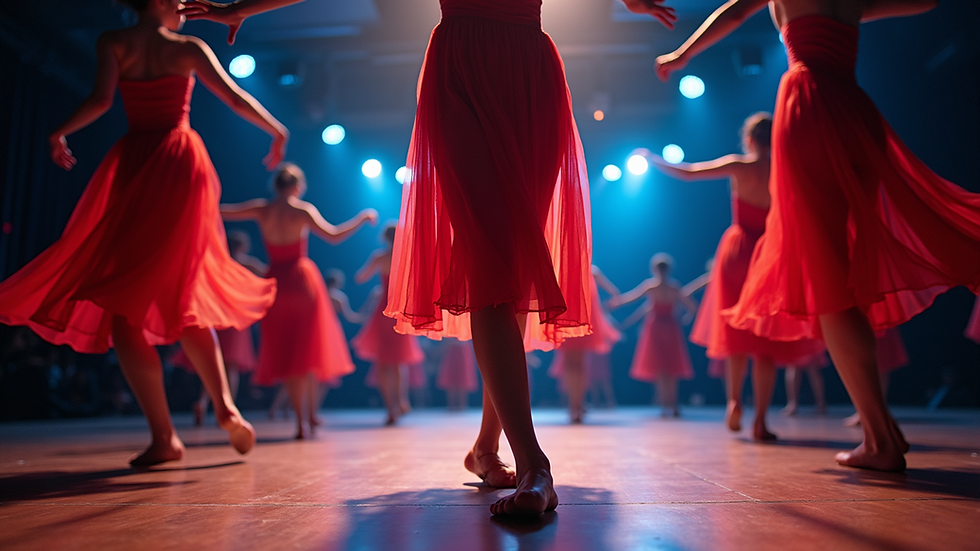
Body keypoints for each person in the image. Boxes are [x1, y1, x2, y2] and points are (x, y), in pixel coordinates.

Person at [178, 0, 677, 517]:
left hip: (531, 72)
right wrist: (243, 7)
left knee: (512, 264)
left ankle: (487, 447)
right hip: (462, 69)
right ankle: (535, 465)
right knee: (489, 260)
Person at [655, 0, 980, 472]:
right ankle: (882, 429)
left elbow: (731, 13)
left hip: (809, 107)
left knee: (830, 280)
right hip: (855, 109)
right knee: (844, 269)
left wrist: (681, 55)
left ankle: (880, 439)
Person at [0, 0, 290, 466]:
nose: (184, 7)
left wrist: (58, 133)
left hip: (135, 161)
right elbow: (234, 99)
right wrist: (276, 131)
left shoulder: (113, 42)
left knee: (124, 306)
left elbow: (99, 101)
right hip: (180, 165)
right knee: (185, 292)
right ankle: (225, 406)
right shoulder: (187, 47)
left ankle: (164, 437)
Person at [638, 114, 822, 440]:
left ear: (749, 140)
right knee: (765, 343)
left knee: (736, 336)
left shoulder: (740, 165)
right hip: (769, 254)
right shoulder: (784, 170)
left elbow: (690, 172)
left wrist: (653, 159)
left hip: (737, 254)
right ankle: (761, 421)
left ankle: (734, 400)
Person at [221, 163, 377, 439]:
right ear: (297, 187)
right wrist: (362, 218)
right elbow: (334, 235)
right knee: (304, 352)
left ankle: (300, 422)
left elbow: (222, 211)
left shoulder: (262, 209)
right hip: (302, 283)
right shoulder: (302, 210)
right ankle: (305, 418)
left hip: (276, 285)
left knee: (288, 353)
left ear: (275, 185)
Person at [170, 230, 266, 426]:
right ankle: (227, 409)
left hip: (215, 316)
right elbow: (269, 275)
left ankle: (203, 402)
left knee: (212, 364)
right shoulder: (247, 264)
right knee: (231, 366)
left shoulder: (217, 260)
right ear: (243, 247)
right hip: (234, 318)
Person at [351, 224, 425, 426]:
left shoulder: (379, 256)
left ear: (385, 238)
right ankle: (401, 400)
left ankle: (391, 408)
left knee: (383, 362)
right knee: (399, 360)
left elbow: (360, 277)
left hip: (383, 311)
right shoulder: (406, 255)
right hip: (400, 310)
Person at [610, 254, 697, 417]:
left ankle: (666, 405)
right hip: (670, 327)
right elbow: (692, 305)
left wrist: (615, 303)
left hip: (657, 328)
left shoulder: (652, 286)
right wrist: (686, 318)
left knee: (663, 369)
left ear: (655, 269)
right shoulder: (674, 287)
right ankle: (672, 405)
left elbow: (631, 298)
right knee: (670, 368)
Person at [548, 265, 622, 423]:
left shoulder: (570, 268)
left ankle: (575, 406)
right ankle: (576, 406)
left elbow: (614, 293)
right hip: (574, 319)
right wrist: (608, 305)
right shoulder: (590, 270)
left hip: (571, 319)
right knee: (576, 364)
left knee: (572, 364)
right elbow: (614, 293)